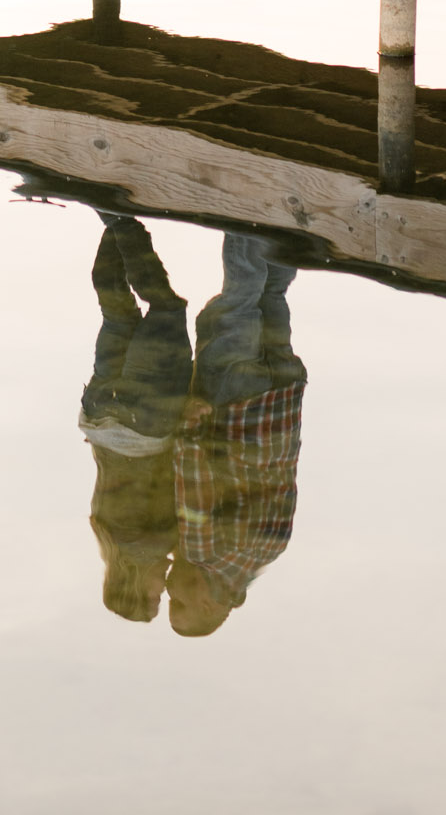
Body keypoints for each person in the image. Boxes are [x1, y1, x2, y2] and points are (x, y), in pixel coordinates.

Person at [167, 233, 308, 638]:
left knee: (273, 294)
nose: (167, 590)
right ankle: (247, 204)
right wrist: (187, 425)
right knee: (240, 296)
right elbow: (196, 484)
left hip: (281, 400)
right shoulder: (203, 553)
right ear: (209, 604)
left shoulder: (268, 553)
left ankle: (288, 212)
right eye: (178, 602)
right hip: (231, 405)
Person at [78, 217, 192, 623]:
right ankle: (110, 212)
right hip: (98, 416)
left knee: (166, 309)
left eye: (155, 597)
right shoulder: (105, 534)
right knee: (117, 313)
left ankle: (122, 220)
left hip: (147, 422)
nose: (162, 590)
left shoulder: (147, 545)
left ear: (133, 585)